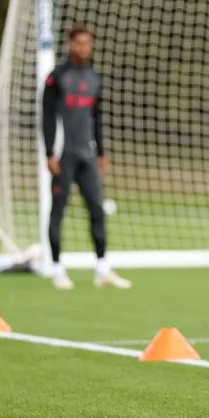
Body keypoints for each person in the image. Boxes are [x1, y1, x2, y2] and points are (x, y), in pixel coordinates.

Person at [42, 24, 131, 290]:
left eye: (87, 43)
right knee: (58, 212)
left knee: (97, 210)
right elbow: (47, 117)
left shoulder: (93, 78)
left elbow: (97, 117)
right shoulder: (56, 77)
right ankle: (57, 269)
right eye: (79, 43)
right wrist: (49, 152)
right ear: (70, 44)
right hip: (63, 155)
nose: (83, 48)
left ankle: (102, 269)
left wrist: (101, 153)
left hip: (87, 156)